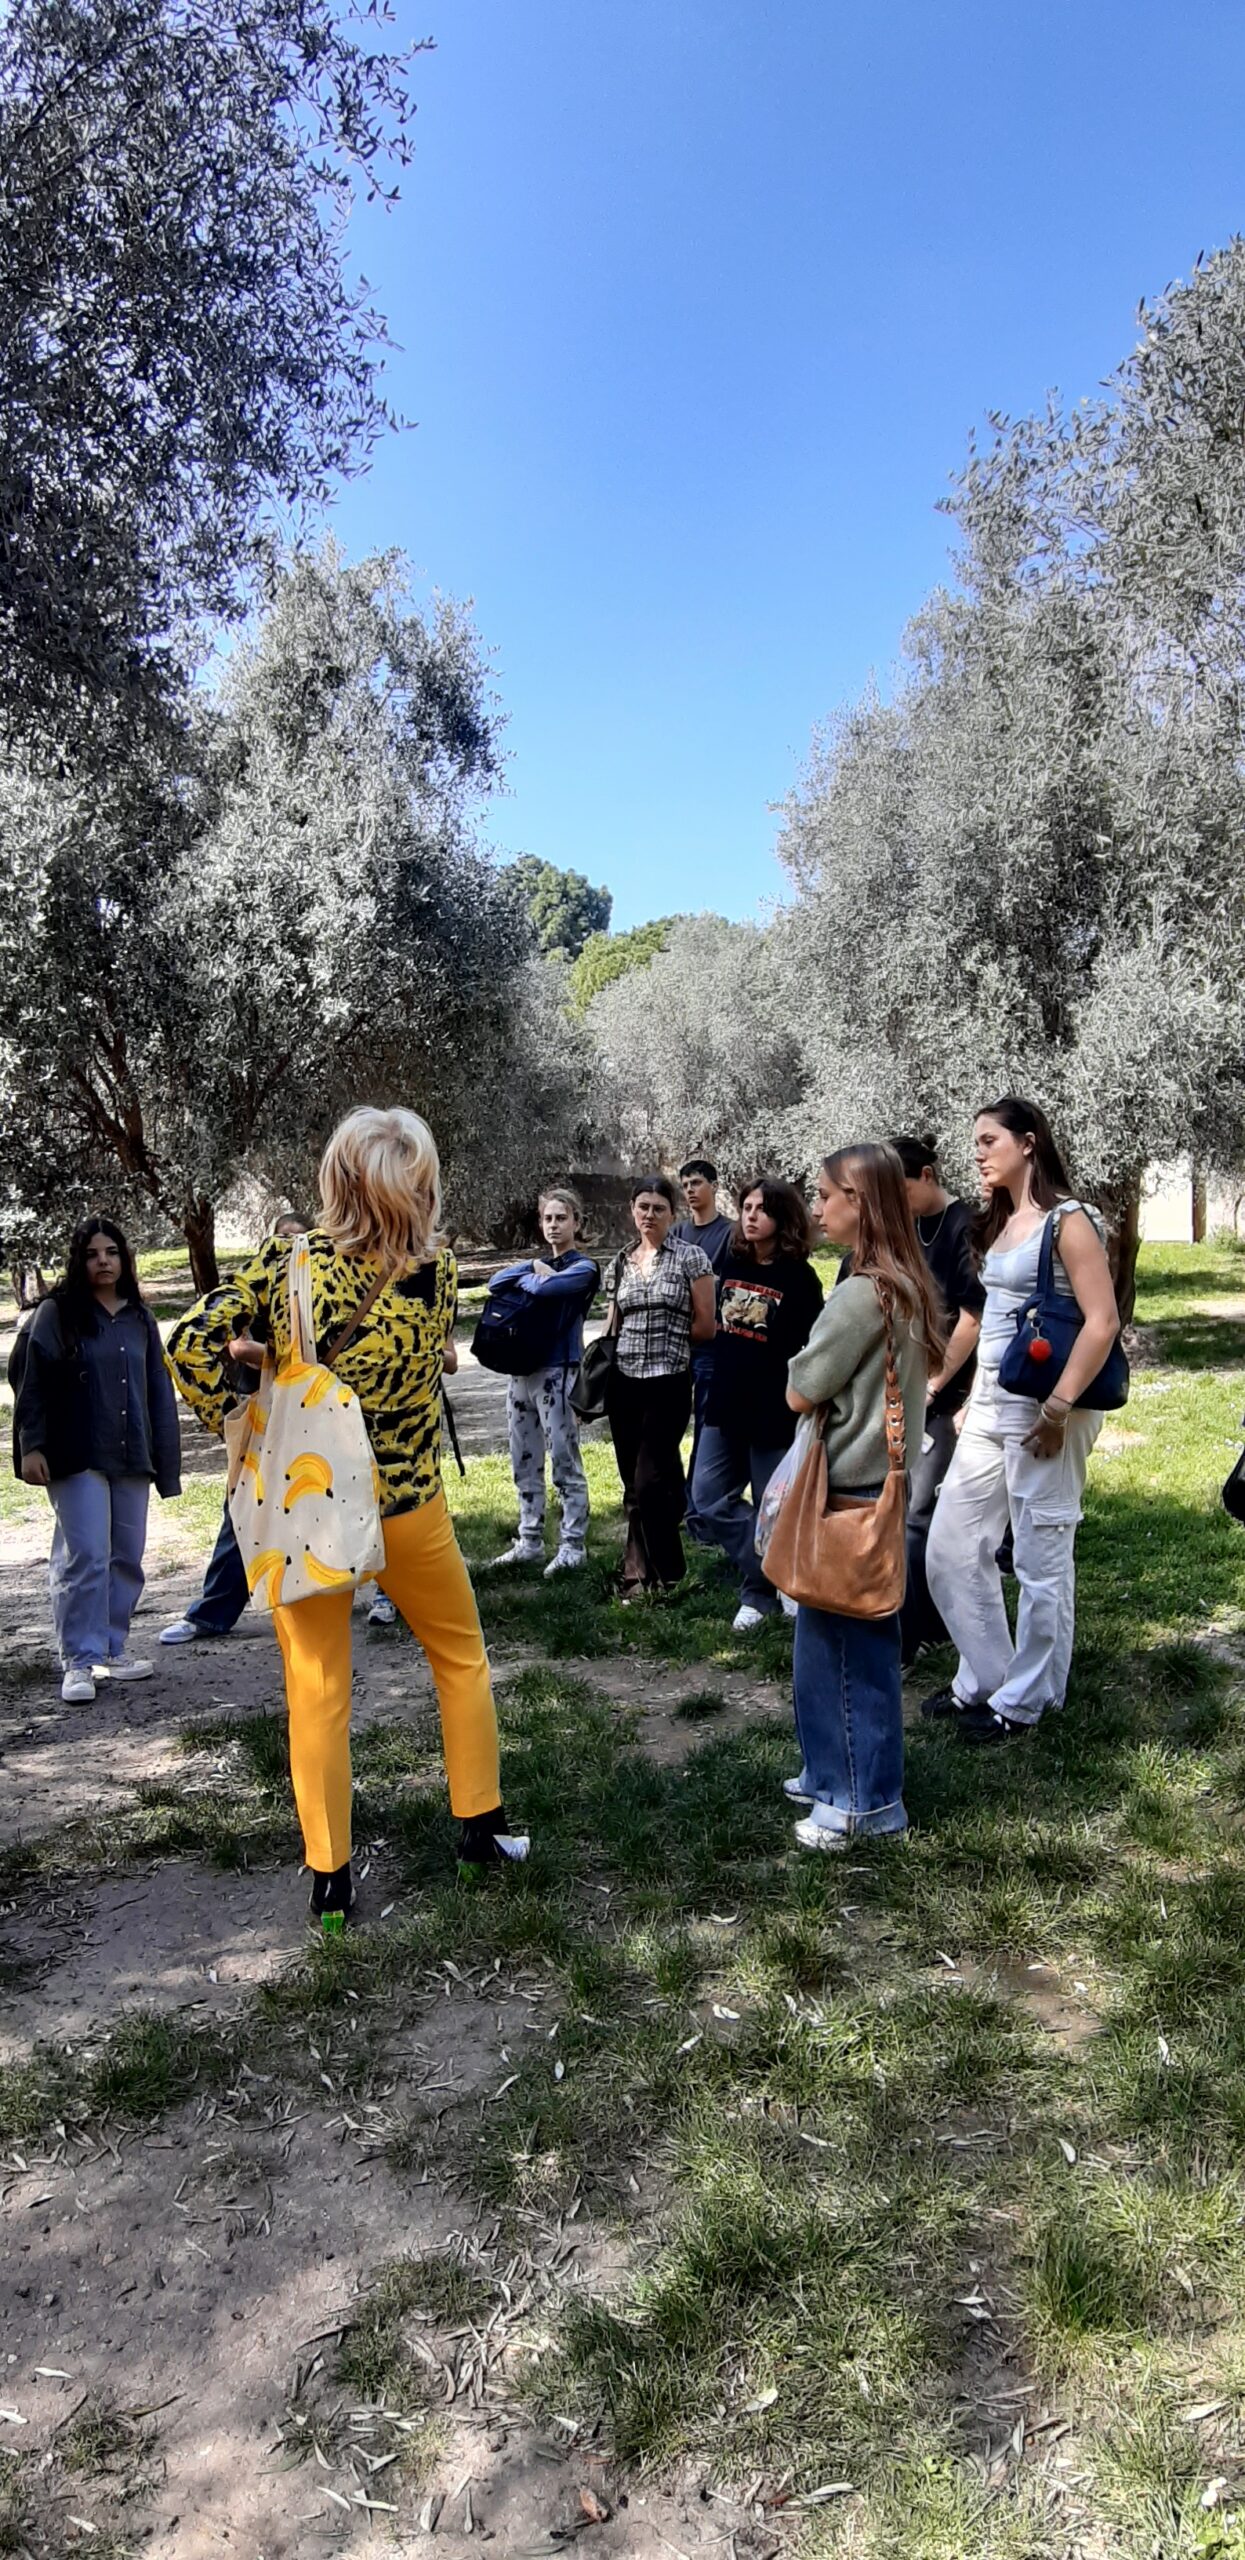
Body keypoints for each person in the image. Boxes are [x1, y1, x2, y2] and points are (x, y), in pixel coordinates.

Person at [166, 1106, 527, 1927]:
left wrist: (236, 1408)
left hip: (312, 1506)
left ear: (336, 1179)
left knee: (318, 1690)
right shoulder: (437, 1273)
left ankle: (329, 1880)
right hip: (408, 1502)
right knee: (460, 1658)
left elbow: (189, 1342)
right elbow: (404, 1361)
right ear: (422, 1186)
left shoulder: (287, 1262)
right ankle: (479, 1831)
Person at [924, 1097, 1119, 1744]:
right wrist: (973, 1398)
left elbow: (1102, 1321)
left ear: (1028, 1142)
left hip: (1047, 1408)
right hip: (989, 1404)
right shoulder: (1000, 1221)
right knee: (950, 1547)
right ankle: (988, 1676)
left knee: (1040, 1558)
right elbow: (994, 1323)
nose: (978, 1153)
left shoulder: (1069, 1220)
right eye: (975, 1142)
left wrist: (1058, 1408)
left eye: (989, 1140)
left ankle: (1028, 1700)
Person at [781, 1145, 941, 1850]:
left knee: (849, 1654)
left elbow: (801, 1388)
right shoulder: (903, 1283)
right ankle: (829, 1774)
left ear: (860, 1201)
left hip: (849, 1491)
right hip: (873, 1488)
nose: (816, 1207)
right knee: (828, 1645)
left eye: (826, 1195)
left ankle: (863, 1804)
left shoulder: (858, 1294)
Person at [11, 1218, 182, 1702]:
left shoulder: (140, 1318)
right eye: (92, 1254)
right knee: (85, 1556)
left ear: (124, 1259)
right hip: (76, 1453)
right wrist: (32, 1445)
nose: (103, 1261)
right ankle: (79, 1661)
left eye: (111, 1252)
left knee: (126, 1555)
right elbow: (32, 1383)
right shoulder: (57, 1313)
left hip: (130, 1452)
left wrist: (166, 1461)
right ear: (78, 1260)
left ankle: (112, 1646)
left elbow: (158, 1391)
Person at [159, 1211, 309, 1646]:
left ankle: (381, 1598)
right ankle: (211, 1613)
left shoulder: (323, 1288)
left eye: (300, 1240)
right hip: (267, 1409)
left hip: (320, 1410)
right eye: (283, 1240)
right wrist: (230, 1415)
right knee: (244, 1508)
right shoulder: (260, 1290)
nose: (291, 1249)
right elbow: (233, 1347)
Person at [690, 1177, 823, 1632]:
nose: (750, 1216)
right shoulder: (732, 1261)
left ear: (782, 1218)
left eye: (762, 1209)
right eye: (746, 1207)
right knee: (708, 1499)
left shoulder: (799, 1278)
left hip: (773, 1413)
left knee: (774, 1510)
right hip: (724, 1404)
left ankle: (757, 1595)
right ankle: (780, 1574)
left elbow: (812, 1349)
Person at [888, 1136, 985, 1666]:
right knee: (904, 1509)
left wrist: (933, 1385)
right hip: (904, 1387)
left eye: (901, 1189)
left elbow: (973, 1317)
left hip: (946, 1395)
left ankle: (913, 1635)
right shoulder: (909, 1228)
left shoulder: (961, 1226)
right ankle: (926, 1621)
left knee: (917, 1514)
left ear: (926, 1175)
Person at [605, 1174, 716, 1597]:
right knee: (633, 1484)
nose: (649, 1215)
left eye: (658, 1208)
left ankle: (668, 1571)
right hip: (624, 1383)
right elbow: (613, 1325)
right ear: (632, 1211)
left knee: (650, 1479)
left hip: (668, 1380)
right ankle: (637, 1575)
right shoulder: (620, 1261)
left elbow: (706, 1326)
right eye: (643, 1207)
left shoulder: (691, 1258)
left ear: (673, 1213)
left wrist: (669, 1340)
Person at [489, 1188, 600, 1575]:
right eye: (548, 1218)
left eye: (561, 1218)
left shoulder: (584, 1268)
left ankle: (573, 1544)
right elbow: (495, 1282)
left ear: (576, 1222)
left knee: (564, 1459)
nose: (554, 1225)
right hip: (522, 1371)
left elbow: (548, 1288)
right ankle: (530, 1539)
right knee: (524, 1458)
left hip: (559, 1372)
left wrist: (536, 1278)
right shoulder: (538, 1263)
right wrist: (533, 1267)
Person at [674, 1157, 734, 1542]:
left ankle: (698, 1510)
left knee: (705, 1431)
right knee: (670, 1426)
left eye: (696, 1183)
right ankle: (677, 1504)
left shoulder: (730, 1233)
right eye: (685, 1185)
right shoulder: (677, 1232)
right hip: (678, 1345)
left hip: (712, 1347)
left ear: (714, 1186)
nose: (690, 1191)